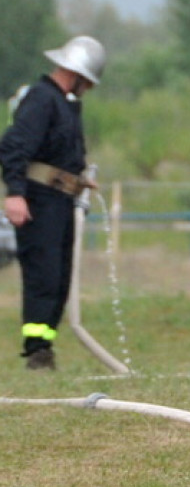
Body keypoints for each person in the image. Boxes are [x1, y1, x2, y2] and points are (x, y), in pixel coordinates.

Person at [0, 36, 105, 371]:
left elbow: (58, 154)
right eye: (87, 81)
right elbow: (14, 147)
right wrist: (15, 193)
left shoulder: (64, 103)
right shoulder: (41, 99)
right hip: (39, 201)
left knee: (59, 278)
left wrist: (79, 181)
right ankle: (36, 351)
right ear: (76, 73)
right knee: (43, 277)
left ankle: (45, 345)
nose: (88, 87)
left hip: (60, 201)